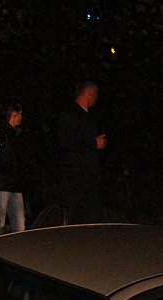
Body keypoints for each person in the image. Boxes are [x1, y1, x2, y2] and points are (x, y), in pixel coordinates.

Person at [56, 81, 106, 224]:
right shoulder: (70, 114)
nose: (96, 97)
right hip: (74, 176)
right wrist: (93, 143)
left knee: (87, 214)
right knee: (75, 213)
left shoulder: (88, 116)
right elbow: (65, 142)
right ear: (89, 93)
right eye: (95, 94)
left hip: (87, 176)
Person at [0, 102, 27, 235]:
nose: (22, 117)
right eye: (20, 114)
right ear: (14, 114)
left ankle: (17, 253)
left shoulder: (15, 134)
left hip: (14, 185)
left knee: (19, 226)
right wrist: (12, 171)